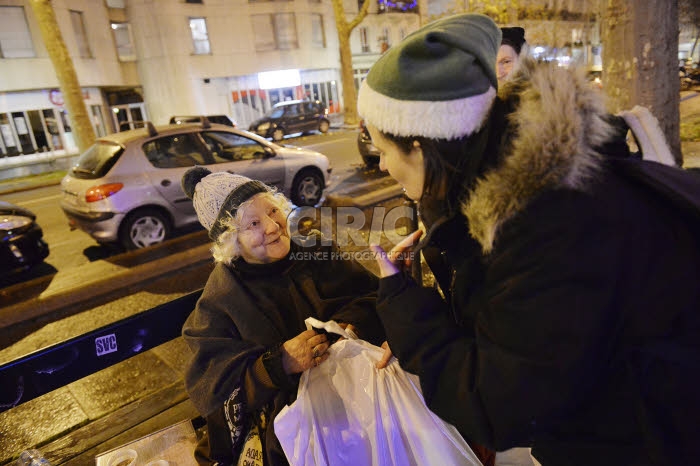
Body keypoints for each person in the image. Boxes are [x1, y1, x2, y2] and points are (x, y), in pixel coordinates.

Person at [358, 13, 700, 466]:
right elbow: (519, 331)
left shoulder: (547, 222)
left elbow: (499, 407)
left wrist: (405, 309)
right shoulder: (527, 184)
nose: (381, 166)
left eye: (383, 151)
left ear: (421, 146)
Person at [180, 166, 385, 466]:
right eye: (253, 223)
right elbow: (215, 394)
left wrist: (348, 325)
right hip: (294, 427)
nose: (273, 227)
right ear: (231, 241)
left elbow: (373, 294)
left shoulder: (315, 250)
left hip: (360, 390)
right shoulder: (221, 300)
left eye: (273, 211)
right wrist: (280, 364)